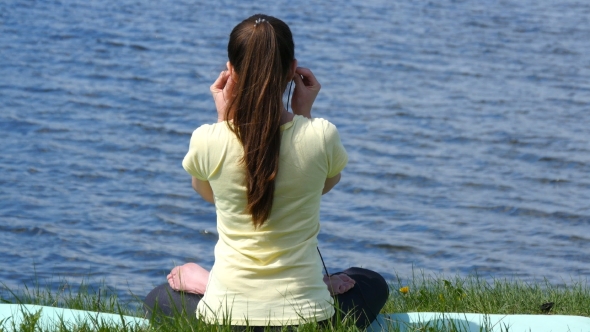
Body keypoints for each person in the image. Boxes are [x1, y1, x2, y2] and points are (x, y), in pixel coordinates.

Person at [144, 14, 389, 329]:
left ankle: (206, 283)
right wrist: (305, 117)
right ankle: (318, 286)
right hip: (308, 321)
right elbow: (323, 185)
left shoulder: (208, 138)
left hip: (227, 320)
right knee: (371, 282)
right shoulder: (322, 135)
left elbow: (211, 195)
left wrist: (223, 123)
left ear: (230, 72)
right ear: (293, 71)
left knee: (159, 298)